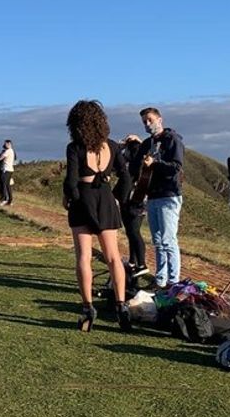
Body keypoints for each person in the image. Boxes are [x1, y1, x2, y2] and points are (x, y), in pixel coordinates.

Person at [63, 100, 132, 332]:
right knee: (114, 256)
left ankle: (87, 308)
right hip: (105, 198)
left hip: (84, 199)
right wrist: (116, 198)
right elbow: (126, 176)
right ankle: (121, 306)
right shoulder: (111, 146)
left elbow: (71, 181)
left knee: (84, 257)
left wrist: (69, 199)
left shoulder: (75, 148)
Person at [128, 107, 184, 289]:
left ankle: (173, 281)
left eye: (150, 120)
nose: (147, 124)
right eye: (144, 121)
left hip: (169, 195)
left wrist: (156, 163)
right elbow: (136, 164)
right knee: (158, 241)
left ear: (160, 119)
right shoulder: (147, 143)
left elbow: (176, 167)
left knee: (169, 240)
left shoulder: (172, 140)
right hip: (151, 195)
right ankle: (160, 280)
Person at [117, 138, 149, 277]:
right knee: (132, 233)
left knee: (134, 233)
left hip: (133, 204)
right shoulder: (142, 166)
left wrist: (121, 147)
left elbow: (116, 161)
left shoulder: (132, 169)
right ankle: (133, 261)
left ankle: (141, 264)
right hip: (139, 203)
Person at [0, 139, 15, 205]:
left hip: (6, 170)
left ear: (9, 144)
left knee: (4, 185)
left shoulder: (8, 151)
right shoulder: (11, 151)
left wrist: (1, 154)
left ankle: (4, 199)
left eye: (5, 144)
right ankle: (10, 200)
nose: (4, 145)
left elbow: (0, 158)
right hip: (10, 170)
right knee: (7, 185)